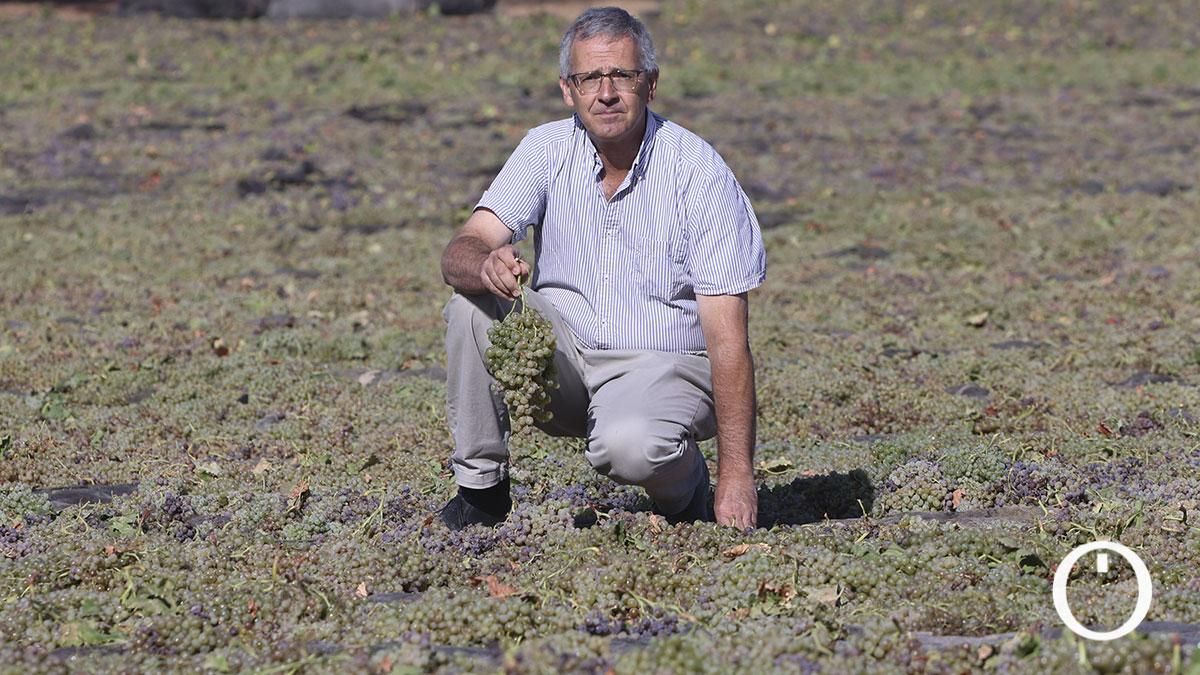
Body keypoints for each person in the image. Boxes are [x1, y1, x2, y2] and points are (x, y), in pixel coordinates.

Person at [438, 6, 765, 530]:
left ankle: (686, 490)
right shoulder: (545, 149)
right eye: (590, 77)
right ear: (568, 89)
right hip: (567, 358)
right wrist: (486, 263)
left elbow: (729, 343)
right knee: (470, 305)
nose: (606, 92)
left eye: (623, 76)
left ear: (650, 85)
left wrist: (737, 476)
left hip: (663, 364)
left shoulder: (698, 174)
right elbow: (462, 248)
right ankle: (482, 493)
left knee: (629, 446)